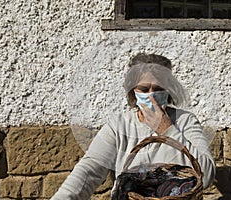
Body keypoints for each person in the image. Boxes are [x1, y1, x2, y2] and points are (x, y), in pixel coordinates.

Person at [51, 53, 215, 199]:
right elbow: (88, 171)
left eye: (158, 89)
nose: (151, 94)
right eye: (144, 89)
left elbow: (206, 176)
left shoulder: (185, 121)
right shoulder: (119, 126)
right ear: (133, 92)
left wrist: (167, 129)